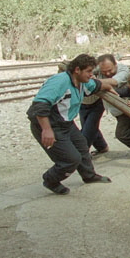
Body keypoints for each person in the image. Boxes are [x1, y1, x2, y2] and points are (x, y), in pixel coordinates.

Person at [27, 53, 117, 195]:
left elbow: (98, 84)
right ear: (77, 70)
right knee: (71, 159)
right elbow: (40, 105)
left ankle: (89, 176)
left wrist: (109, 85)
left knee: (82, 146)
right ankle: (50, 179)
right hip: (48, 124)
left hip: (65, 123)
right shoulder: (60, 81)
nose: (91, 75)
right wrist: (47, 130)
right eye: (88, 71)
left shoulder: (82, 82)